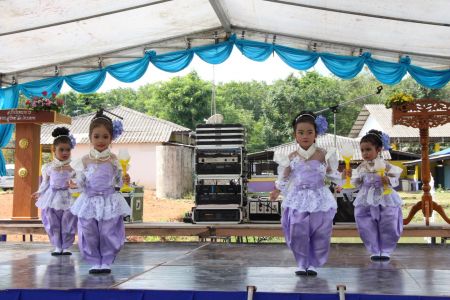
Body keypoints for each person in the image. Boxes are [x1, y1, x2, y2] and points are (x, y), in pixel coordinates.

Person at [270, 111, 341, 276]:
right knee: (297, 229)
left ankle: (314, 263)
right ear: (295, 135)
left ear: (316, 134)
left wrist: (339, 184)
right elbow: (285, 176)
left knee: (321, 231)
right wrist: (277, 190)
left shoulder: (324, 154)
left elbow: (331, 173)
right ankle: (302, 262)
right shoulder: (292, 156)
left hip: (319, 197)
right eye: (300, 132)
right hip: (298, 198)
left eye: (309, 132)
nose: (305, 136)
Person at [70, 110, 131, 274]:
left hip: (109, 200)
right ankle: (94, 260)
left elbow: (118, 182)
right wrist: (77, 180)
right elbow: (81, 183)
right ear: (90, 138)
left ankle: (106, 260)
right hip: (89, 200)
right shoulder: (84, 160)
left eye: (105, 136)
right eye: (96, 136)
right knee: (88, 230)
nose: (101, 140)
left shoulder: (114, 160)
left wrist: (124, 179)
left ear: (111, 138)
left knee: (107, 231)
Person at [350, 129, 403, 261]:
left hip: (385, 197)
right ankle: (374, 249)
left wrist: (389, 180)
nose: (365, 153)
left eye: (368, 149)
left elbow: (396, 178)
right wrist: (350, 178)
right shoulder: (361, 167)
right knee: (365, 222)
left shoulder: (386, 165)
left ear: (378, 149)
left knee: (388, 222)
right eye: (362, 150)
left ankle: (385, 249)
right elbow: (355, 183)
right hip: (366, 198)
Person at [33, 127, 77, 256]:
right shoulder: (48, 167)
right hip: (52, 198)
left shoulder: (73, 168)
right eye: (61, 149)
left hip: (68, 198)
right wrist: (39, 192)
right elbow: (45, 183)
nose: (65, 152)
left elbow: (77, 183)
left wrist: (75, 185)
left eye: (68, 149)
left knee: (68, 221)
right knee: (52, 222)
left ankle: (66, 246)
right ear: (54, 150)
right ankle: (57, 245)